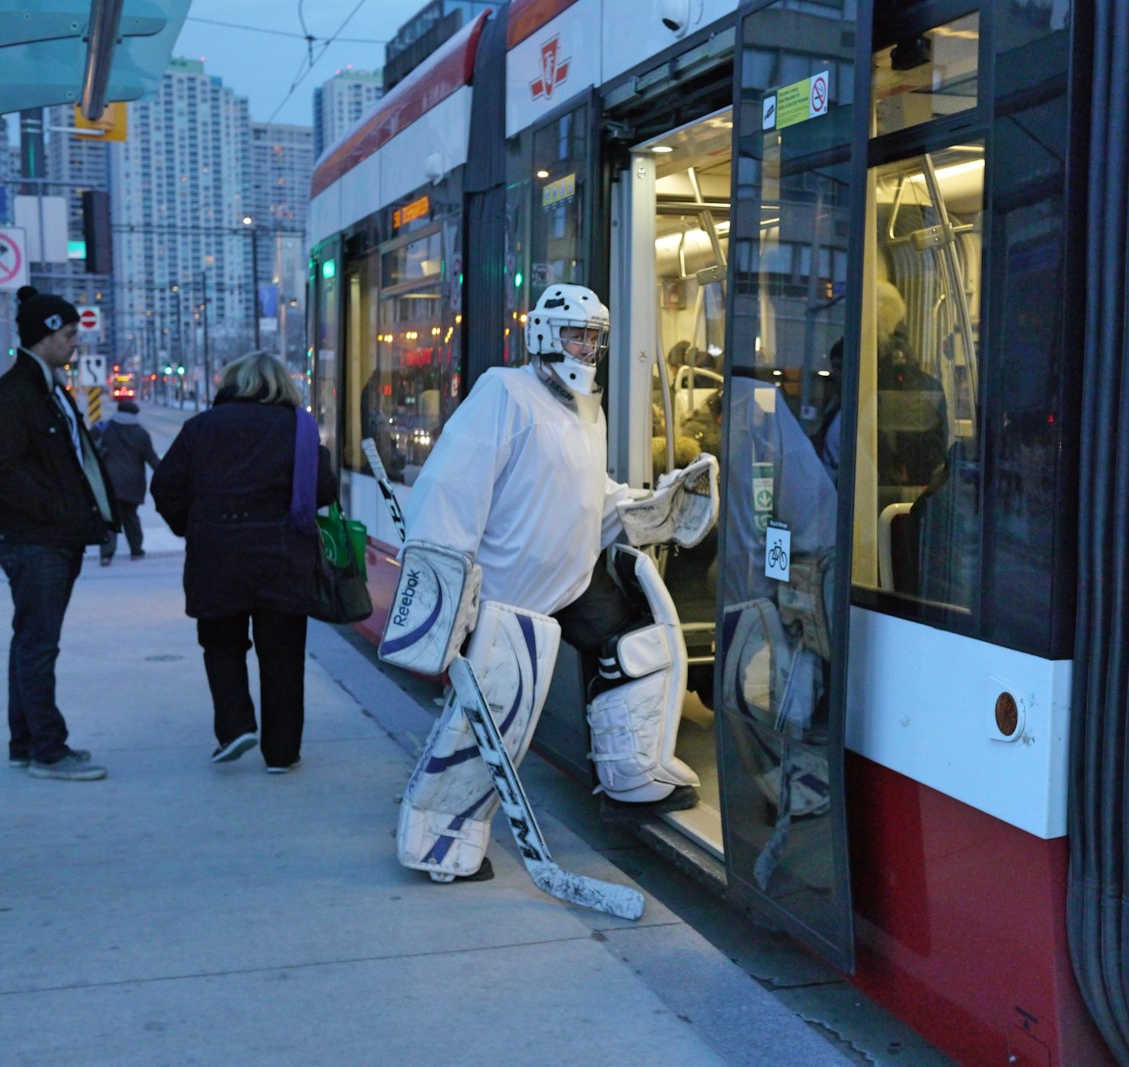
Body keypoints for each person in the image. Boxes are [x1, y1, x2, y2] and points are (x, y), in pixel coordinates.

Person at [380, 283, 719, 881]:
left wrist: (647, 508)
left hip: (572, 580)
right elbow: (450, 491)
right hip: (509, 598)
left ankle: (633, 776)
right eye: (574, 334)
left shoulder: (589, 410)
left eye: (593, 336)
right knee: (493, 719)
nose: (585, 348)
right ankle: (438, 841)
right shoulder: (504, 393)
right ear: (542, 333)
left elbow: (588, 495)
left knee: (641, 646)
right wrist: (444, 596)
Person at [151, 352, 335, 772]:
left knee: (221, 644)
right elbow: (322, 490)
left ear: (231, 383)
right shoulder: (299, 430)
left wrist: (192, 527)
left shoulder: (200, 429)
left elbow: (165, 487)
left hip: (215, 557)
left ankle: (235, 728)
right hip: (283, 557)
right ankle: (281, 752)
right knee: (282, 654)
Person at [0, 287, 116, 781]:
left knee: (29, 642)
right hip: (36, 540)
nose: (75, 342)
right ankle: (47, 753)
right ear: (46, 335)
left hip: (49, 537)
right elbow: (3, 470)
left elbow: (78, 463)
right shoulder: (15, 397)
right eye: (69, 333)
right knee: (38, 644)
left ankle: (26, 743)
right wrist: (62, 515)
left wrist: (100, 518)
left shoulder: (47, 389)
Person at [94, 399, 160, 564]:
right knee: (131, 517)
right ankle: (136, 551)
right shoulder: (141, 433)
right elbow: (151, 459)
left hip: (109, 481)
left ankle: (106, 555)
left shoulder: (104, 428)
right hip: (133, 483)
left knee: (110, 518)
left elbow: (87, 445)